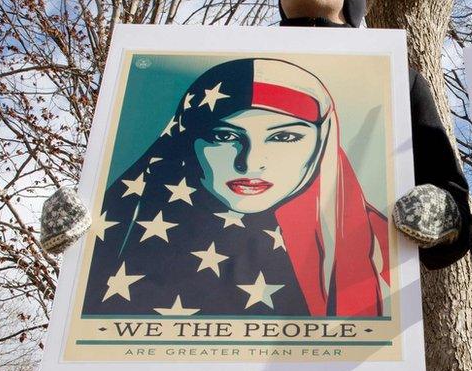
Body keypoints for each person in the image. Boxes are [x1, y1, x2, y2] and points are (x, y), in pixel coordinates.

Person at [37, 0, 472, 371]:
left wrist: (444, 217)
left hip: (344, 317)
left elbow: (446, 200)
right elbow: (127, 186)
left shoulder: (393, 75)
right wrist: (86, 226)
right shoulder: (209, 65)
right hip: (178, 317)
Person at [82, 58, 390, 317]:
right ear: (188, 139)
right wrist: (75, 246)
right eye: (224, 137)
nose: (250, 162)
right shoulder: (126, 229)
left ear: (322, 142)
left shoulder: (379, 246)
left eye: (284, 137)